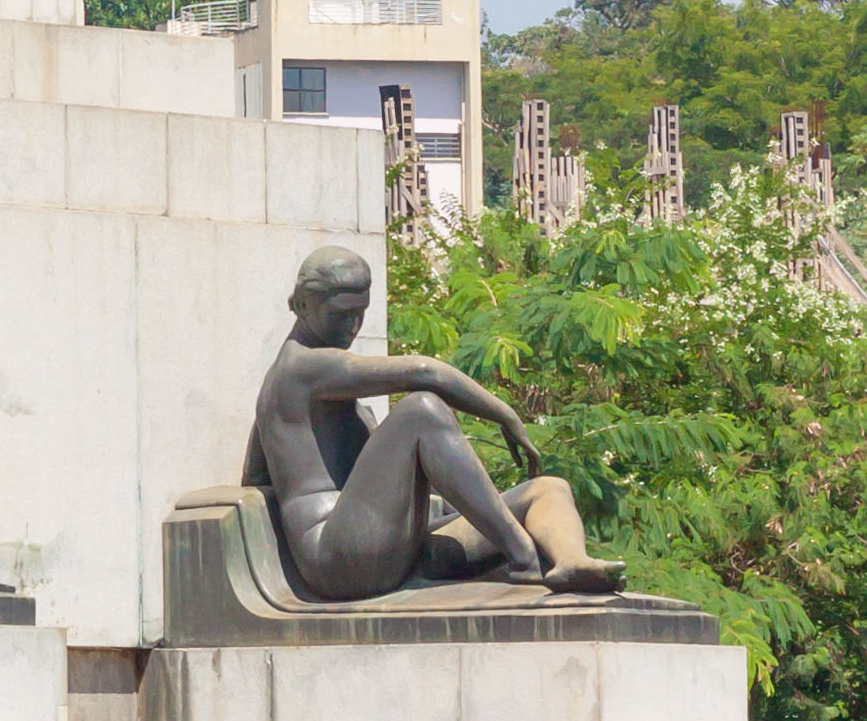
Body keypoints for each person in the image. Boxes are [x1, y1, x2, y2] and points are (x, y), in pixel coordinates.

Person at [246, 244, 624, 602]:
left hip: (393, 546)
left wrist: (439, 502)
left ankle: (571, 561)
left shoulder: (332, 396)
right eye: (340, 314)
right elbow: (426, 372)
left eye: (360, 313)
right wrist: (505, 415)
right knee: (421, 410)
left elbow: (258, 473)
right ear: (301, 305)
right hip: (338, 558)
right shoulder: (298, 368)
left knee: (548, 489)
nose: (353, 326)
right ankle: (522, 555)